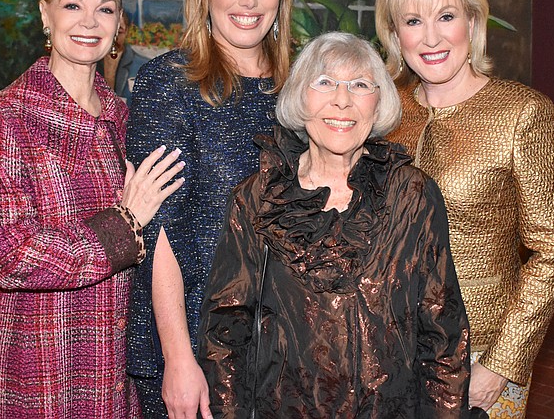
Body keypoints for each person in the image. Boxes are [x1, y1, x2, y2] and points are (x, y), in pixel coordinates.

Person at [197, 31, 470, 418]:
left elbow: (443, 334)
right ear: (299, 98)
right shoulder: (257, 198)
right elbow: (225, 333)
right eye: (324, 82)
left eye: (360, 85)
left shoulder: (413, 195)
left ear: (378, 104)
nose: (342, 100)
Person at [0, 0, 185, 418]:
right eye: (72, 6)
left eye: (105, 9)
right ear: (45, 15)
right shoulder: (4, 119)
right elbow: (12, 258)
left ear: (119, 24)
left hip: (114, 358)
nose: (89, 22)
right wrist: (126, 223)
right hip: (36, 357)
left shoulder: (125, 117)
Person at [375, 0, 554, 418]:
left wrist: (502, 364)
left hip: (480, 352)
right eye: (412, 21)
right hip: (387, 347)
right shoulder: (385, 114)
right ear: (394, 34)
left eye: (446, 16)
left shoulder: (523, 114)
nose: (431, 37)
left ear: (472, 21)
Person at [125, 0, 293, 418]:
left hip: (291, 343)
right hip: (197, 342)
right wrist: (178, 357)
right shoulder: (169, 84)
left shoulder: (305, 87)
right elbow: (157, 234)